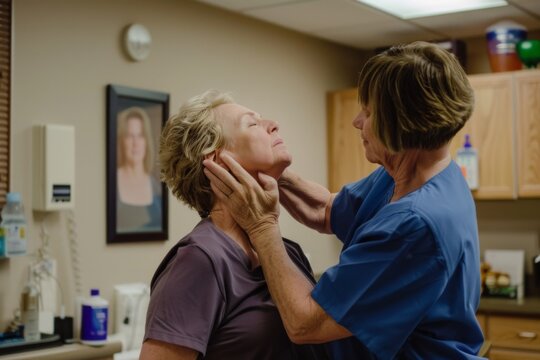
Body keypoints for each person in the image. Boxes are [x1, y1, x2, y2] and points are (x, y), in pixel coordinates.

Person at [203, 41, 485, 359]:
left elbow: (306, 323)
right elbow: (326, 210)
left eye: (369, 112)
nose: (357, 122)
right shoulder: (410, 171)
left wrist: (262, 224)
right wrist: (269, 172)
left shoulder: (415, 221)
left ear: (400, 124)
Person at [140, 90, 331, 360]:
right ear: (218, 162)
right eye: (252, 124)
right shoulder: (200, 259)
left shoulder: (288, 253)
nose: (272, 124)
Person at [116, 106, 162, 232]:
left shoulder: (155, 185)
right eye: (130, 136)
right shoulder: (113, 184)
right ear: (121, 141)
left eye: (140, 136)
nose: (135, 143)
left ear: (146, 141)